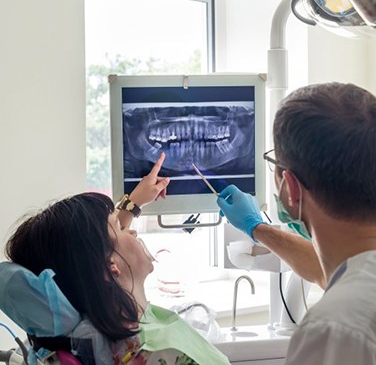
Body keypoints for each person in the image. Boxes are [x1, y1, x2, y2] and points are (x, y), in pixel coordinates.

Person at [4, 152, 230, 365]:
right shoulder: (163, 355)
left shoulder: (108, 338)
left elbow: (103, 252)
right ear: (109, 267)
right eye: (120, 228)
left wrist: (132, 205)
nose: (132, 232)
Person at [217, 82, 376, 364]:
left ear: (290, 187)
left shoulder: (333, 330)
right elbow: (334, 272)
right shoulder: (360, 280)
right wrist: (255, 227)